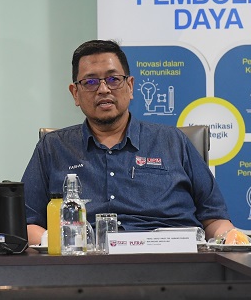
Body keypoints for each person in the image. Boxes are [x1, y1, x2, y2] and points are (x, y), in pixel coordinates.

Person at [23, 40, 235, 245]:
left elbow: (215, 219)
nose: (103, 89)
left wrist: (231, 238)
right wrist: (63, 243)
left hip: (170, 259)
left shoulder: (173, 142)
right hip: (85, 260)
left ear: (130, 86)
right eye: (90, 82)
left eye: (113, 79)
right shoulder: (52, 148)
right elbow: (27, 224)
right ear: (75, 93)